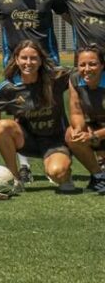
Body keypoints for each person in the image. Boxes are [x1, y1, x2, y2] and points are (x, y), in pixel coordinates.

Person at [0, 39, 72, 191]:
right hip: (27, 141)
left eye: (33, 58)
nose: (28, 62)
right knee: (1, 126)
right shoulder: (9, 87)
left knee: (58, 173)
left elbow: (84, 72)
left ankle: (64, 171)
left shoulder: (56, 78)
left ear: (40, 60)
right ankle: (15, 179)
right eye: (24, 58)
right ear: (16, 60)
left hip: (55, 142)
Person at [63, 44, 105, 194]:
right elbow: (76, 112)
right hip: (97, 128)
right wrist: (79, 131)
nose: (87, 69)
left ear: (102, 65)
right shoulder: (74, 79)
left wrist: (93, 136)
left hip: (100, 132)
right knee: (71, 134)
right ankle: (99, 176)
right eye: (82, 65)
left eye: (92, 64)